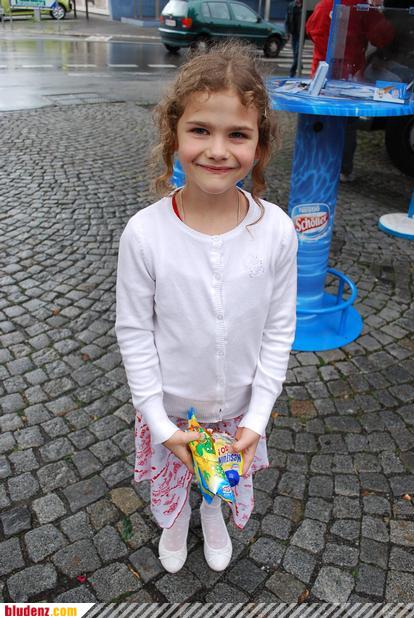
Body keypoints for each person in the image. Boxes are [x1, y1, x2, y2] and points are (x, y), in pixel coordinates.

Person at [115, 41, 298, 575]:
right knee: (176, 475)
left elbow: (279, 329)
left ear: (260, 144)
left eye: (237, 134)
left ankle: (213, 510)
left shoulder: (276, 230)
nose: (218, 150)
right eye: (200, 130)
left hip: (239, 409)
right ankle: (175, 519)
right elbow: (134, 332)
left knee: (220, 478)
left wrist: (257, 418)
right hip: (172, 408)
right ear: (173, 134)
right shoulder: (145, 234)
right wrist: (158, 421)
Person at [306, 0, 394, 181]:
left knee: (318, 120)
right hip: (350, 76)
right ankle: (343, 169)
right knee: (347, 124)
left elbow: (311, 29)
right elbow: (383, 35)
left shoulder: (324, 5)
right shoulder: (361, 6)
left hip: (320, 75)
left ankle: (315, 162)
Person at [285, 0, 303, 77]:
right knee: (295, 54)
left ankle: (292, 72)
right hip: (294, 34)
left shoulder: (304, 6)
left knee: (297, 52)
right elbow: (287, 20)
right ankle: (299, 64)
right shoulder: (291, 5)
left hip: (301, 35)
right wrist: (287, 33)